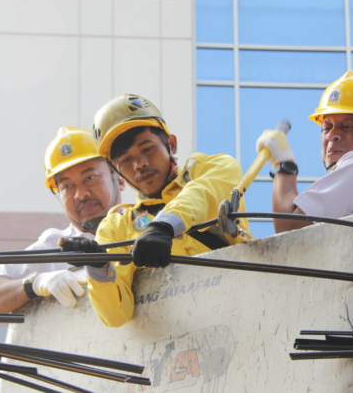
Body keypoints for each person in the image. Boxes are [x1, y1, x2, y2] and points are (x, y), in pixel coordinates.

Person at [60, 94, 253, 327]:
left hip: (244, 315)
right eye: (126, 159)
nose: (139, 163)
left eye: (147, 149)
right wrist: (98, 268)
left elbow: (201, 194)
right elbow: (116, 316)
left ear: (171, 144)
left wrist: (163, 227)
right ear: (117, 172)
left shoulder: (212, 169)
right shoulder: (117, 226)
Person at [0, 127, 125, 313]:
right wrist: (35, 283)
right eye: (67, 186)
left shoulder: (146, 231)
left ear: (119, 177)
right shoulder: (52, 247)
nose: (80, 194)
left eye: (90, 177)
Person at [257, 70, 353, 234]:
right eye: (326, 127)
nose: (332, 135)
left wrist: (283, 164)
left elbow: (289, 227)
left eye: (348, 126)